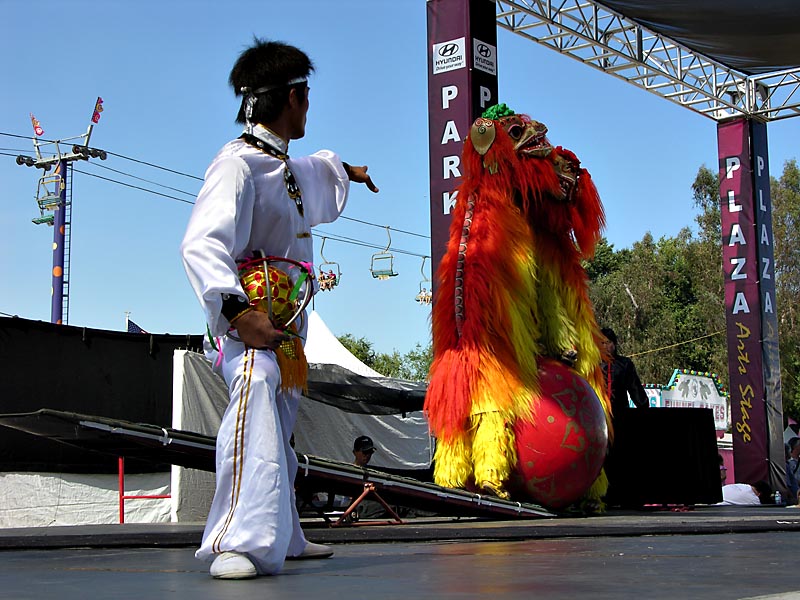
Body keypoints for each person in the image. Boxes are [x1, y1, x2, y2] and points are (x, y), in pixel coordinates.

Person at [181, 39, 378, 580]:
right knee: (254, 403)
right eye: (307, 97)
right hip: (247, 329)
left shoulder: (280, 165)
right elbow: (201, 243)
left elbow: (320, 168)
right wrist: (238, 311)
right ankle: (233, 539)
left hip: (286, 329)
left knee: (281, 423)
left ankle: (285, 532)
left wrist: (350, 172)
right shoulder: (236, 167)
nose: (309, 107)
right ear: (293, 97)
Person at [599, 327, 649, 412]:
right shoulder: (594, 365)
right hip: (598, 413)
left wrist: (643, 407)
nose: (605, 346)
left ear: (614, 344)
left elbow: (635, 389)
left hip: (620, 411)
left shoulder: (625, 364)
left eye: (608, 342)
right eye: (602, 343)